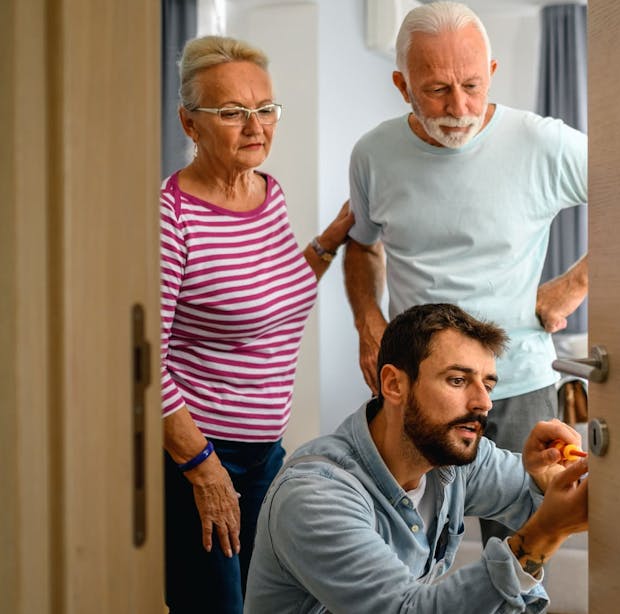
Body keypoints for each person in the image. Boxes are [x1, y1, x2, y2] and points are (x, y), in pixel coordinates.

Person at [343, 0, 589, 546]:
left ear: (493, 74)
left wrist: (573, 286)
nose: (460, 107)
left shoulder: (541, 143)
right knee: (406, 547)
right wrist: (367, 320)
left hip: (517, 382)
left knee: (524, 547)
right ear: (401, 84)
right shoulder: (372, 155)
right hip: (418, 388)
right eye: (436, 90)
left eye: (473, 86)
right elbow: (361, 246)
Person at [160, 35, 354, 613]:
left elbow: (279, 294)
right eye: (232, 113)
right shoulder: (171, 218)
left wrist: (332, 238)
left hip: (266, 452)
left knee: (275, 603)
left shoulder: (268, 194)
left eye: (265, 109)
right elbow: (140, 362)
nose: (256, 126)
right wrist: (202, 468)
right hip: (199, 455)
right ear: (189, 124)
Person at [244, 303, 589, 613]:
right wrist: (544, 531)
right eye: (457, 380)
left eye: (488, 384)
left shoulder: (454, 458)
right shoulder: (315, 497)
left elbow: (570, 506)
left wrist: (550, 484)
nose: (483, 403)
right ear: (394, 385)